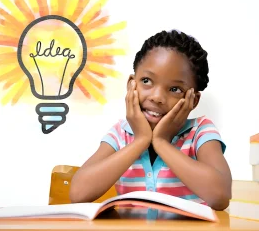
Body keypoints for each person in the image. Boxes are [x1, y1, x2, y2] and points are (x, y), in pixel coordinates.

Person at [70, 29, 232, 210]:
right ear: (132, 84)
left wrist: (162, 142)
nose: (157, 97)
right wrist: (140, 140)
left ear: (192, 100)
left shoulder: (200, 132)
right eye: (147, 81)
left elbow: (220, 196)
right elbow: (78, 193)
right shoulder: (120, 134)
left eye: (174, 89)